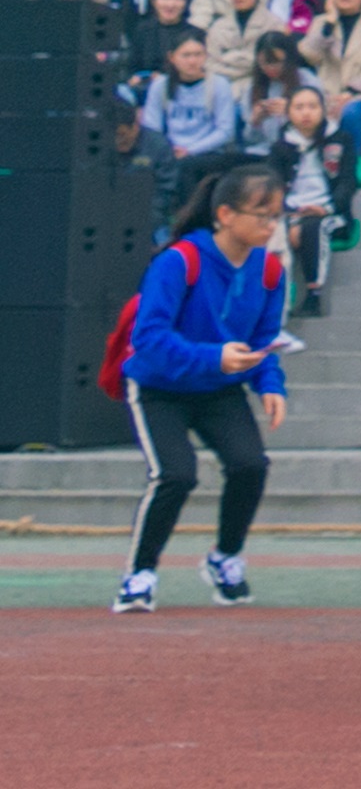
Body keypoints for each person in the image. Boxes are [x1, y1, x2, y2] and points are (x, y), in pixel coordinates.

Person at [114, 156, 291, 614]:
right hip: (158, 388)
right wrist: (214, 356)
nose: (272, 225)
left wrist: (270, 382)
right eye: (262, 214)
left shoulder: (271, 272)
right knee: (175, 474)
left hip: (217, 388)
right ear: (226, 214)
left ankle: (224, 559)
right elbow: (148, 339)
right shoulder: (180, 261)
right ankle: (139, 574)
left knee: (251, 464)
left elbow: (264, 340)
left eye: (277, 215)